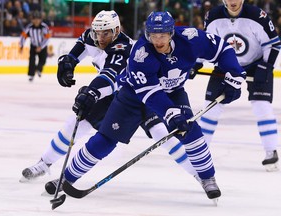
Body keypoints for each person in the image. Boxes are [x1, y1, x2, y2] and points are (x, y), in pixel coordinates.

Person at [45, 11, 246, 201]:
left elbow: (222, 48)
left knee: (190, 131)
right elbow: (151, 94)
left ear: (172, 32)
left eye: (163, 35)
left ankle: (207, 178)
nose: (157, 41)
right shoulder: (141, 54)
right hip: (133, 96)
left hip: (173, 92)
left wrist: (235, 74)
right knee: (105, 139)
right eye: (153, 35)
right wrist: (170, 114)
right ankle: (67, 178)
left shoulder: (191, 37)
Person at [20, 10, 198, 183]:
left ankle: (199, 174)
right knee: (75, 125)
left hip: (137, 93)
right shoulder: (92, 36)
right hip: (109, 94)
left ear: (117, 31)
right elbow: (79, 48)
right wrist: (68, 62)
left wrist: (91, 92)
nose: (101, 38)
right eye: (97, 33)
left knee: (162, 134)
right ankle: (43, 163)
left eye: (106, 33)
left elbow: (109, 76)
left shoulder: (123, 48)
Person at [197, 0, 280, 171]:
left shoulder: (258, 16)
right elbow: (207, 45)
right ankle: (199, 151)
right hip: (226, 65)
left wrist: (266, 66)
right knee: (210, 107)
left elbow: (273, 44)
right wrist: (195, 64)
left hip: (256, 64)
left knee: (261, 106)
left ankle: (271, 151)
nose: (233, 1)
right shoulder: (213, 16)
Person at [19, 10, 50, 82]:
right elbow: (23, 36)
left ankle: (38, 69)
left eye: (38, 19)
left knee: (43, 60)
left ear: (40, 19)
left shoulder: (44, 27)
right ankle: (31, 75)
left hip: (42, 46)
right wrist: (21, 46)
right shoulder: (29, 27)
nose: (36, 21)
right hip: (33, 46)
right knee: (31, 60)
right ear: (32, 19)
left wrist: (41, 47)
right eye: (34, 19)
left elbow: (47, 38)